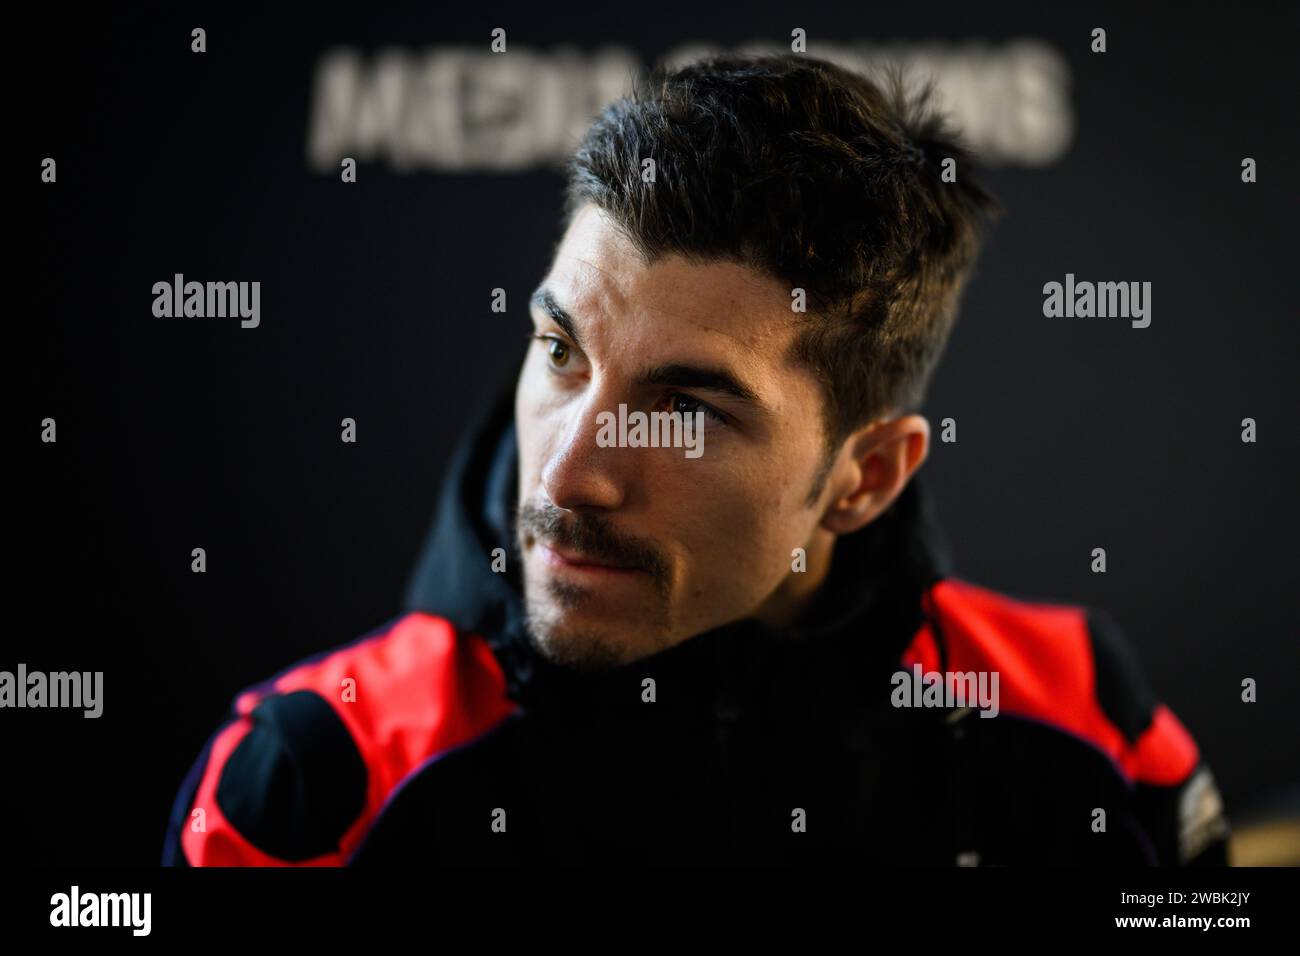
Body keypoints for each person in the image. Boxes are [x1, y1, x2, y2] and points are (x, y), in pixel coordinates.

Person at [163, 52, 1229, 866]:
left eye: (685, 408)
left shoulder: (1082, 723)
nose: (569, 476)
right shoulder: (320, 774)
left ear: (864, 477)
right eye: (559, 351)